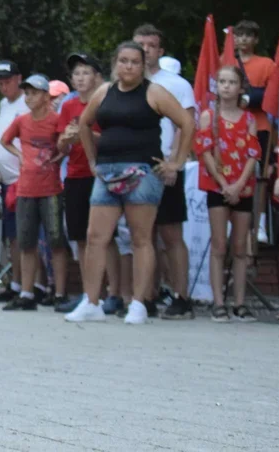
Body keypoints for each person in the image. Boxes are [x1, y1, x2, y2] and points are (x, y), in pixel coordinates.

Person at [65, 41, 195, 325]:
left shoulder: (154, 92)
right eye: (123, 61)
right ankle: (91, 301)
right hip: (107, 170)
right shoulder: (104, 91)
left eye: (134, 62)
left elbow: (186, 122)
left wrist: (176, 162)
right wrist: (91, 160)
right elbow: (84, 124)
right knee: (96, 236)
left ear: (142, 65)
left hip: (142, 172)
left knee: (141, 238)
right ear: (115, 63)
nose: (128, 66)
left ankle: (138, 303)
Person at [133, 24, 197, 320]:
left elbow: (188, 126)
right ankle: (146, 295)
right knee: (143, 234)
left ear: (160, 50)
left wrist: (176, 164)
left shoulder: (177, 84)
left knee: (171, 234)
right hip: (134, 166)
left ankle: (182, 296)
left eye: (151, 45)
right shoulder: (124, 83)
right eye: (140, 44)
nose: (145, 49)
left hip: (164, 164)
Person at [54, 54, 124, 315]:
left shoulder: (108, 102)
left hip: (102, 174)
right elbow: (60, 144)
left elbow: (113, 140)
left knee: (107, 237)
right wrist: (67, 139)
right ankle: (89, 294)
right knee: (81, 238)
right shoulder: (69, 106)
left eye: (86, 72)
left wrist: (85, 134)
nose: (80, 78)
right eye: (76, 74)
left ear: (97, 76)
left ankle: (115, 293)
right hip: (75, 175)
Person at [193, 66, 262, 322]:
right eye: (222, 81)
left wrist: (239, 184)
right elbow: (205, 151)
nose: (226, 86)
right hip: (217, 186)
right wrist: (224, 183)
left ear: (240, 87)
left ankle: (240, 302)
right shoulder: (208, 117)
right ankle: (218, 302)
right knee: (219, 244)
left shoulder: (250, 120)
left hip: (242, 187)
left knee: (240, 247)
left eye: (232, 82)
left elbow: (253, 155)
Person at [0, 75, 69, 310]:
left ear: (46, 96)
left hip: (50, 189)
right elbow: (5, 140)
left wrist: (59, 155)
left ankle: (59, 292)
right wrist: (20, 156)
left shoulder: (56, 120)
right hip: (26, 188)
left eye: (34, 93)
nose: (29, 98)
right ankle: (27, 293)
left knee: (56, 241)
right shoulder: (22, 121)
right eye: (27, 93)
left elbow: (65, 145)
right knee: (26, 242)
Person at [232, 20, 279, 245]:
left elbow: (273, 96)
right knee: (232, 171)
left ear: (256, 39)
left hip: (260, 127)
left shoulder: (267, 64)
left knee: (260, 175)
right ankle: (233, 222)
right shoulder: (227, 62)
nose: (242, 40)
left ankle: (259, 223)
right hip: (232, 127)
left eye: (248, 35)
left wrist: (249, 99)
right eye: (239, 35)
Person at [0, 60, 30, 303]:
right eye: (0, 82)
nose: (3, 86)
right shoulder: (4, 104)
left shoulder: (27, 103)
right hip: (7, 179)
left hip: (24, 177)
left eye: (8, 81)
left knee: (26, 234)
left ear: (19, 79)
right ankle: (16, 283)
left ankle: (32, 285)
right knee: (11, 235)